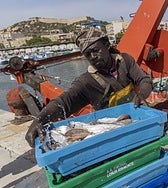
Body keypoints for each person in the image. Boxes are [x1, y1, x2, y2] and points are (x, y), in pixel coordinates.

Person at [25, 27, 153, 147]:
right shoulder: (86, 82)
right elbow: (63, 102)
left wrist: (142, 95)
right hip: (112, 131)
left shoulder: (125, 61)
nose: (92, 57)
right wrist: (39, 121)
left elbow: (143, 79)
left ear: (107, 45)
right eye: (87, 54)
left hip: (137, 115)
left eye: (96, 50)